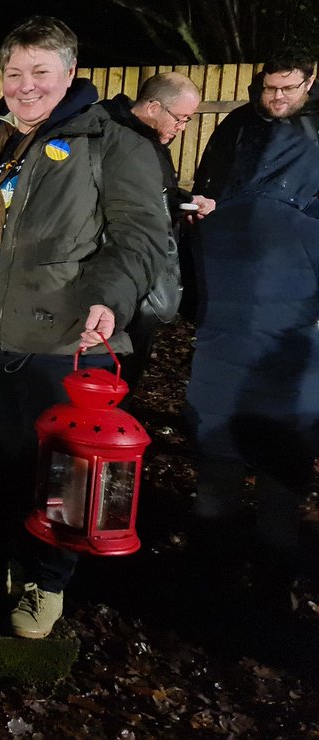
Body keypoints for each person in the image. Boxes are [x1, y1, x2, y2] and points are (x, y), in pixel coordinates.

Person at [0, 16, 167, 638]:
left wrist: (109, 297)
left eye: (39, 73)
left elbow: (140, 239)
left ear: (70, 74)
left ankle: (45, 585)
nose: (24, 86)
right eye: (14, 72)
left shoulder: (112, 143)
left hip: (65, 341)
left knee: (61, 473)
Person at [184, 49, 319, 610]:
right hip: (226, 312)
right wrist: (201, 211)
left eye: (289, 88)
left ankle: (274, 579)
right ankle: (211, 570)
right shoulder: (237, 128)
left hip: (296, 323)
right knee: (217, 447)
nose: (278, 98)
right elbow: (206, 189)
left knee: (281, 457)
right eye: (270, 89)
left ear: (312, 80)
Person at [98, 72, 210, 390]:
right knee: (109, 364)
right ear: (152, 107)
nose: (182, 127)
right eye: (181, 118)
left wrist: (184, 203)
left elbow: (155, 194)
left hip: (149, 269)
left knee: (130, 367)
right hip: (117, 272)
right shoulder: (115, 138)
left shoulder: (154, 139)